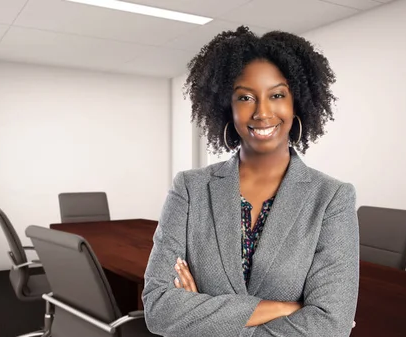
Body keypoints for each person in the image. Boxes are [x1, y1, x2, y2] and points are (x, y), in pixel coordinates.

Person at [142, 26, 359, 337]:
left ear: (296, 102)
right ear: (227, 107)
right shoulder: (190, 189)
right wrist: (286, 308)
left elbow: (329, 325)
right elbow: (159, 309)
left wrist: (200, 318)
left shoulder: (331, 198)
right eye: (245, 97)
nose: (262, 111)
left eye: (277, 95)